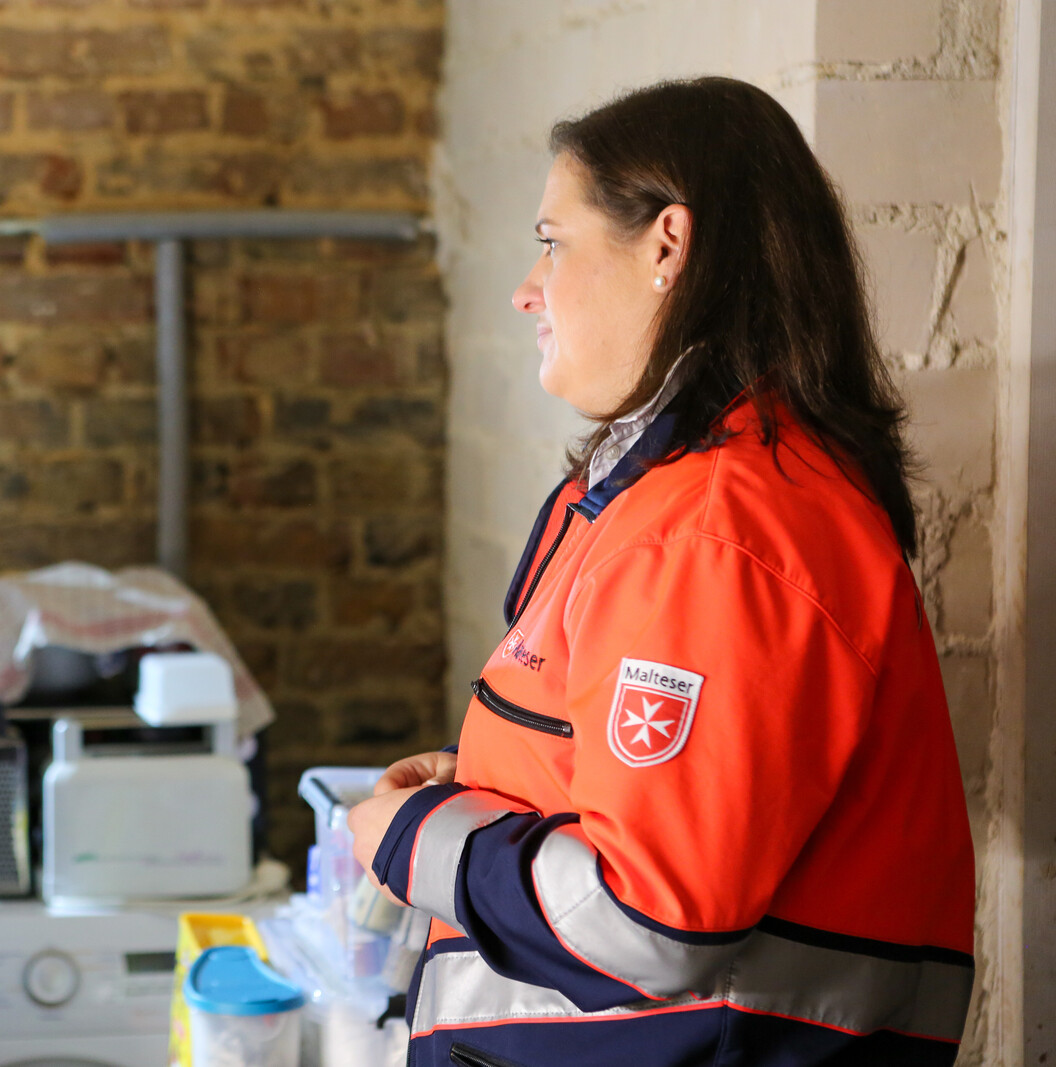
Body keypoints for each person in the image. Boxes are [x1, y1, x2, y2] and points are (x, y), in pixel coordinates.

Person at [348, 77, 975, 1067]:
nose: (526, 287)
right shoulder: (685, 495)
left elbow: (650, 920)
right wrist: (493, 783)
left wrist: (412, 834)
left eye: (552, 242)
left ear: (666, 245)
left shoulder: (719, 530)